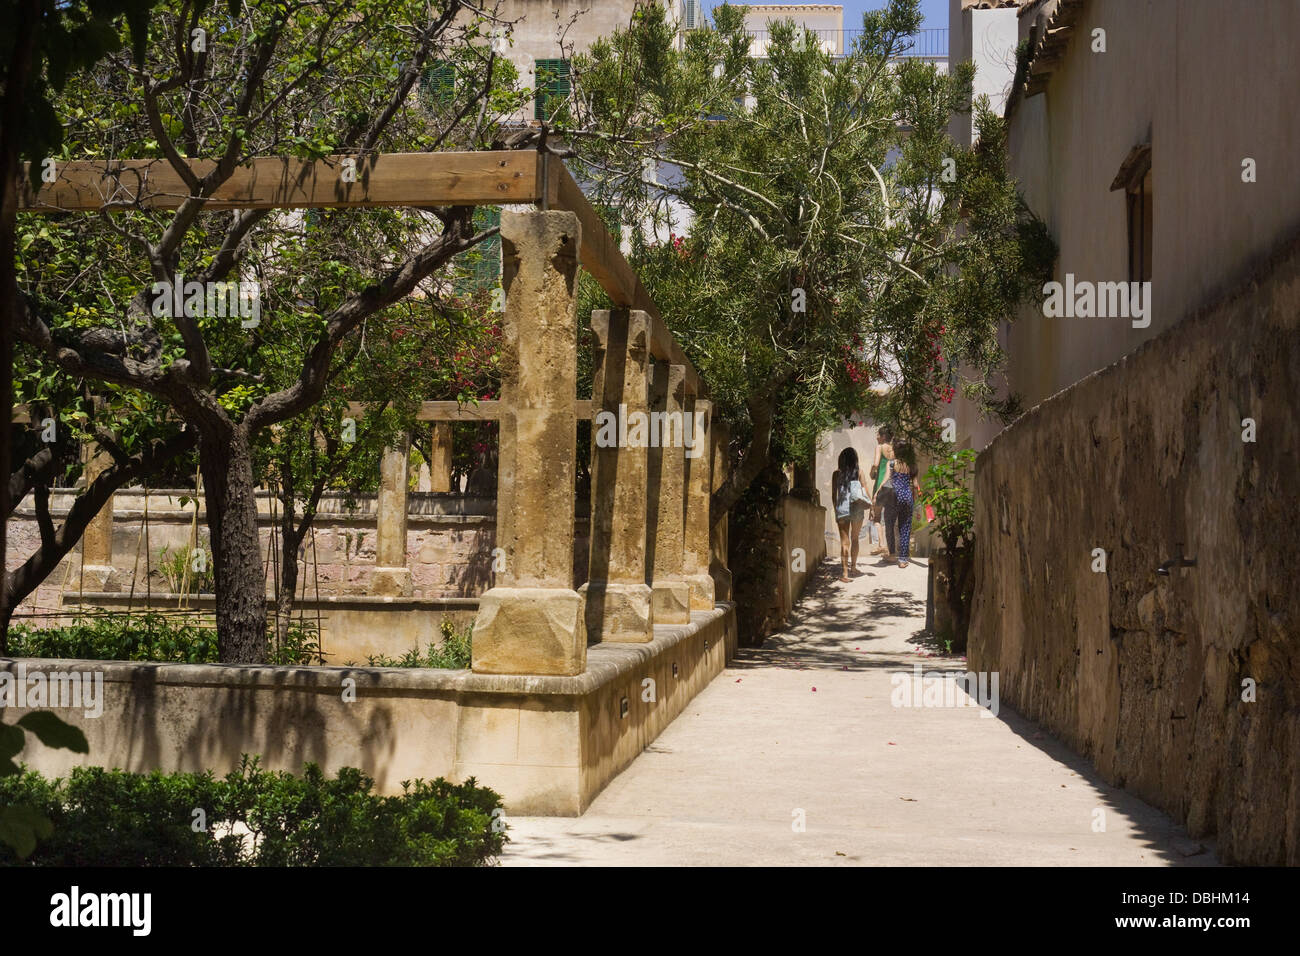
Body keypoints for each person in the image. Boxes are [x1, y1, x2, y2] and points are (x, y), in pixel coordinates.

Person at [831, 446, 868, 582]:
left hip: (842, 509)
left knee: (844, 542)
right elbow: (864, 491)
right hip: (857, 508)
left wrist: (836, 510)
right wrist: (871, 504)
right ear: (855, 459)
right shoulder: (859, 472)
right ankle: (853, 567)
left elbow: (833, 496)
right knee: (855, 538)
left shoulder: (836, 474)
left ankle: (845, 574)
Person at [890, 442, 922, 568]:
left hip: (894, 497)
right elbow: (915, 485)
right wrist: (914, 499)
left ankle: (891, 553)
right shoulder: (912, 466)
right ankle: (903, 559)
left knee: (891, 525)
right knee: (905, 527)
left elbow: (889, 479)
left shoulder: (893, 464)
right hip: (907, 497)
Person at [870, 428, 896, 558]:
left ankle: (881, 544)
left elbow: (876, 464)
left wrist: (871, 472)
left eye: (878, 434)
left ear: (883, 436)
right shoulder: (893, 450)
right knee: (889, 519)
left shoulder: (879, 447)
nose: (876, 437)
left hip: (880, 484)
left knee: (876, 517)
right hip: (892, 485)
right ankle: (889, 550)